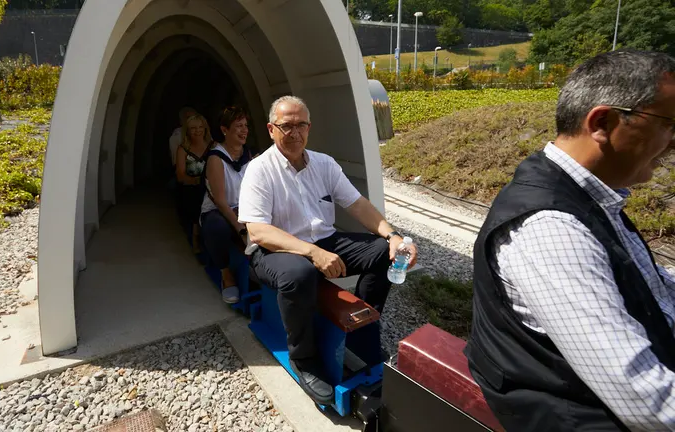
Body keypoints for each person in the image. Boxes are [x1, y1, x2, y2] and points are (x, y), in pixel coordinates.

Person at [464, 50, 675, 432]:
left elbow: (650, 284)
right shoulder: (551, 227)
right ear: (604, 122)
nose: (673, 142)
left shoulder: (585, 197)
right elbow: (643, 398)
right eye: (669, 123)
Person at [238, 96, 418, 405]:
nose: (295, 133)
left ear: (309, 127)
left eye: (301, 125)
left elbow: (357, 205)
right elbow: (258, 231)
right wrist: (311, 252)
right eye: (286, 126)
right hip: (272, 251)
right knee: (300, 273)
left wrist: (394, 236)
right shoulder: (259, 170)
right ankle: (304, 358)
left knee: (380, 251)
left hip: (322, 241)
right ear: (271, 129)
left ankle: (362, 328)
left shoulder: (324, 163)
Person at [200, 106, 252, 304]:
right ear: (224, 130)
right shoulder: (216, 158)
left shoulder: (249, 156)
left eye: (245, 126)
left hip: (243, 209)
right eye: (238, 126)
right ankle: (226, 274)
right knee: (217, 226)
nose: (244, 130)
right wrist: (241, 229)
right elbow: (220, 201)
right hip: (219, 211)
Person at [175, 113, 212, 253]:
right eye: (193, 128)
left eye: (200, 127)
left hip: (211, 186)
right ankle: (196, 238)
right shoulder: (182, 149)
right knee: (196, 197)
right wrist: (199, 181)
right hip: (192, 187)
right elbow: (180, 176)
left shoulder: (213, 146)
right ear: (187, 131)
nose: (197, 131)